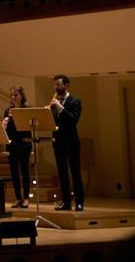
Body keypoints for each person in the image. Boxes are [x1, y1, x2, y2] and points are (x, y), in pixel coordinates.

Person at [50, 74, 84, 211]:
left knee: (75, 172)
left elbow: (73, 120)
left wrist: (60, 107)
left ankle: (79, 202)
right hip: (58, 142)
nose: (56, 87)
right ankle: (66, 202)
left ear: (66, 85)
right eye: (55, 85)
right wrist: (48, 111)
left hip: (71, 142)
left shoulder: (75, 101)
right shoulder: (54, 100)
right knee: (62, 173)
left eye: (59, 84)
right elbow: (53, 121)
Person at [2, 85, 32, 208]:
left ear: (21, 95)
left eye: (16, 95)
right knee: (14, 172)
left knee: (24, 170)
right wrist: (4, 123)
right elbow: (6, 129)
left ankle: (26, 197)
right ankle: (18, 198)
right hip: (12, 143)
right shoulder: (7, 110)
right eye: (12, 95)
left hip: (24, 143)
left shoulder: (27, 109)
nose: (13, 97)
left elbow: (28, 127)